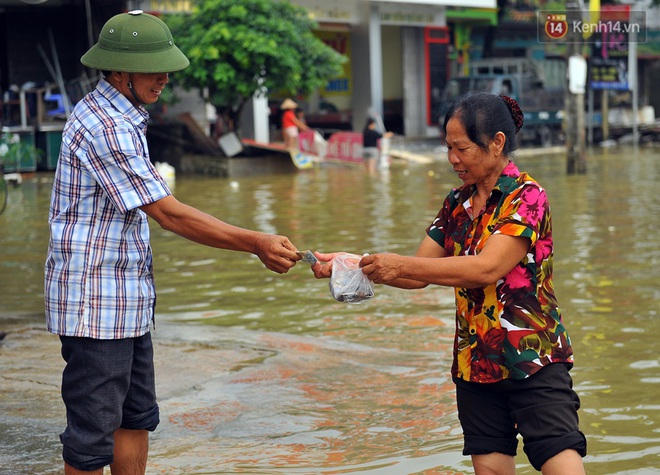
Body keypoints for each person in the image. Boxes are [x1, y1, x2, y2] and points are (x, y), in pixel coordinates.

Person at [44, 11, 300, 475]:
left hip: (124, 302)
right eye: (153, 69)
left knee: (136, 417)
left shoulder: (121, 114)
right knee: (90, 440)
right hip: (95, 307)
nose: (165, 78)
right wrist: (256, 242)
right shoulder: (108, 127)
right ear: (119, 71)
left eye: (166, 67)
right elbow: (169, 214)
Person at [311, 93, 587, 475]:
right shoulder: (457, 203)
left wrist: (396, 264)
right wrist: (353, 264)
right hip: (475, 361)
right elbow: (418, 272)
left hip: (533, 357)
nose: (453, 158)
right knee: (489, 466)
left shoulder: (527, 196)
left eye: (462, 148)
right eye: (448, 148)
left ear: (497, 143)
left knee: (558, 457)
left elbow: (486, 268)